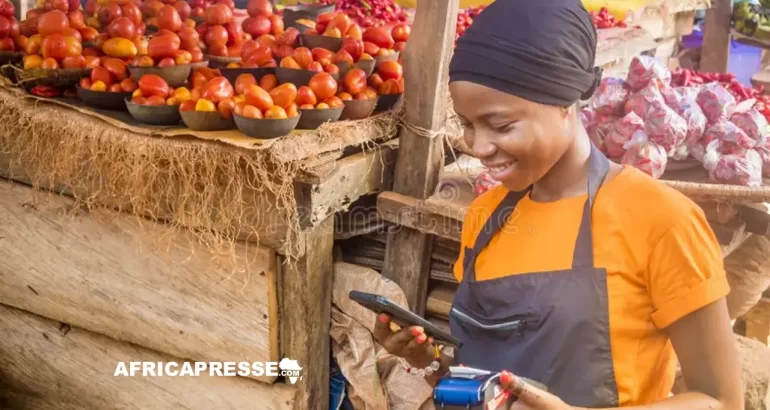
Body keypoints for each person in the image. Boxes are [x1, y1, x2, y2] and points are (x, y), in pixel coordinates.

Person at [373, 0, 745, 408]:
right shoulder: (485, 217)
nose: (478, 147)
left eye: (500, 125)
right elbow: (491, 377)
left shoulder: (662, 220)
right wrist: (427, 358)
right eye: (466, 124)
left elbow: (720, 399)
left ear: (565, 102)